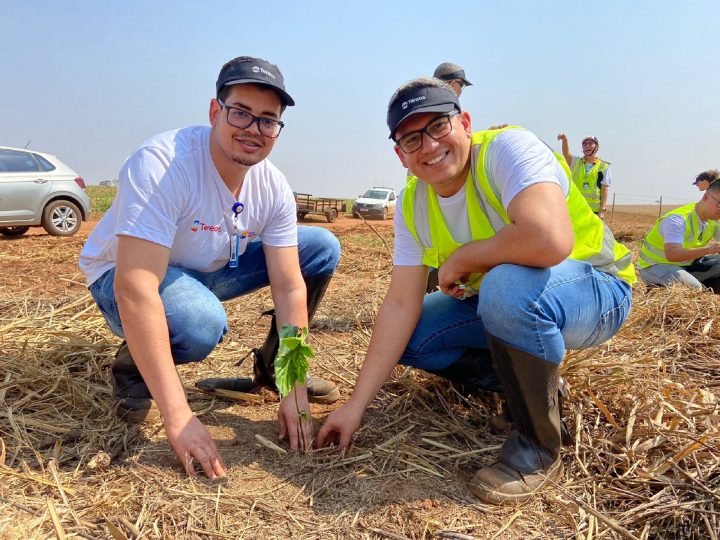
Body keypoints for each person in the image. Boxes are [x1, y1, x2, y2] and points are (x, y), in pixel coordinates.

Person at [317, 78, 636, 505]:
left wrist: (465, 257)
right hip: (512, 300)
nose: (428, 146)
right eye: (412, 138)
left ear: (465, 123)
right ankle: (528, 386)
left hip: (596, 289)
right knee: (411, 335)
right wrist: (355, 407)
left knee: (507, 286)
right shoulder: (414, 203)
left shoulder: (507, 150)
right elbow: (398, 305)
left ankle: (538, 447)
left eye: (438, 127)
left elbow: (549, 240)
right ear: (400, 154)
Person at [79, 55, 341, 479]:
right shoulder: (163, 164)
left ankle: (272, 372)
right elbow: (135, 287)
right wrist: (178, 415)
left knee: (321, 246)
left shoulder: (271, 185)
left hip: (207, 265)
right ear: (215, 111)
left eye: (267, 120)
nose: (252, 129)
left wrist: (294, 383)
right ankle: (134, 369)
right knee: (200, 323)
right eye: (241, 113)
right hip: (125, 274)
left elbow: (291, 287)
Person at [638, 179, 720, 290]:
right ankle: (658, 289)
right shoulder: (677, 219)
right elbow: (672, 254)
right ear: (706, 197)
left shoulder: (714, 219)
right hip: (655, 266)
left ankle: (703, 288)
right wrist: (708, 250)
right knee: (693, 289)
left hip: (688, 265)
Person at [557, 133, 611, 219]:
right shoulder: (576, 162)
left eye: (590, 143)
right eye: (584, 144)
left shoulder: (603, 166)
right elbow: (566, 154)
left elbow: (605, 189)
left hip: (594, 211)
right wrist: (565, 141)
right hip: (576, 208)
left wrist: (602, 210)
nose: (587, 146)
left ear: (596, 147)